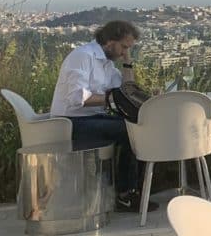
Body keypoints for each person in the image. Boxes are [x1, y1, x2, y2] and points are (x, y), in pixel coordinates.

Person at [50, 19, 152, 212]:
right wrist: (111, 98)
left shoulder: (107, 65)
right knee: (131, 131)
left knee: (140, 127)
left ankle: (134, 190)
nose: (124, 52)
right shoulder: (83, 56)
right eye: (123, 47)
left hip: (93, 117)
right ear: (109, 41)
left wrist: (127, 63)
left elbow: (126, 91)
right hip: (72, 121)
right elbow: (76, 98)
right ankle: (125, 194)